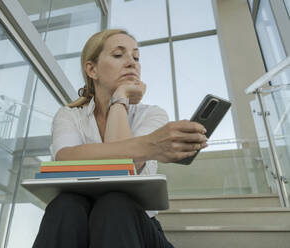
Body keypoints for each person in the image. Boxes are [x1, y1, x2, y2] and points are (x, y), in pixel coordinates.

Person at [32, 29, 208, 248]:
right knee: (65, 205)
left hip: (138, 229)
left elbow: (125, 168)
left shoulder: (152, 114)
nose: (131, 63)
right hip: (78, 227)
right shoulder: (69, 115)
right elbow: (66, 159)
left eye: (136, 57)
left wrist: (120, 101)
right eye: (118, 55)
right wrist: (151, 144)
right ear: (92, 69)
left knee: (114, 204)